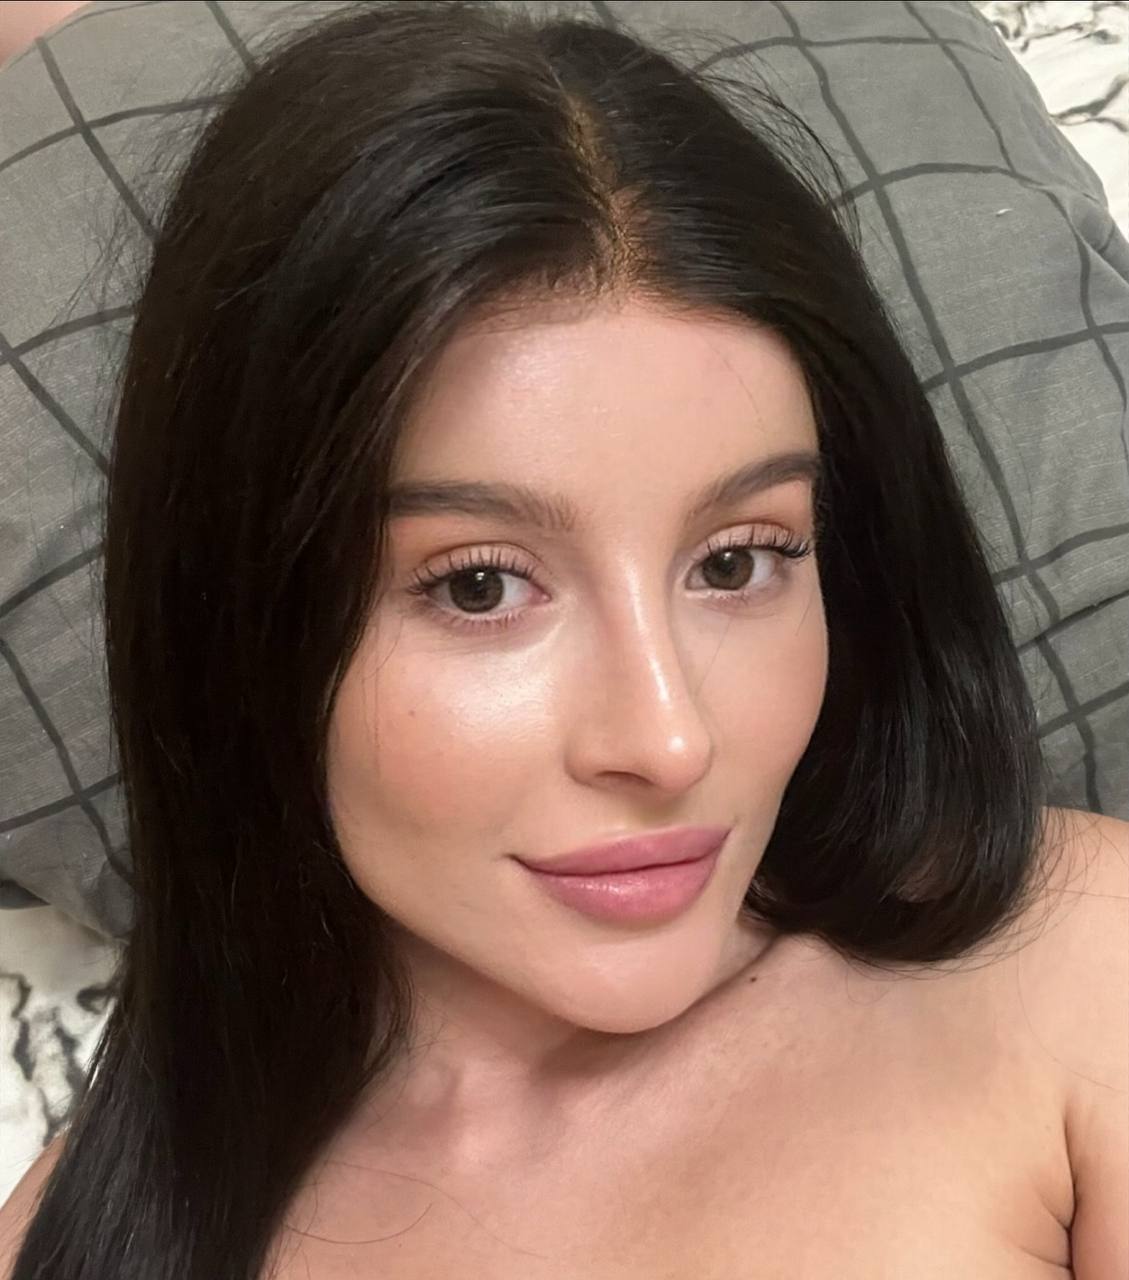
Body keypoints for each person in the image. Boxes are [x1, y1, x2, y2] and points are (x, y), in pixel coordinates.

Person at [1, 2, 1126, 1277]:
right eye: (480, 586)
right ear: (240, 623)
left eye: (737, 561)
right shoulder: (87, 1235)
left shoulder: (1079, 967)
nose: (668, 737)